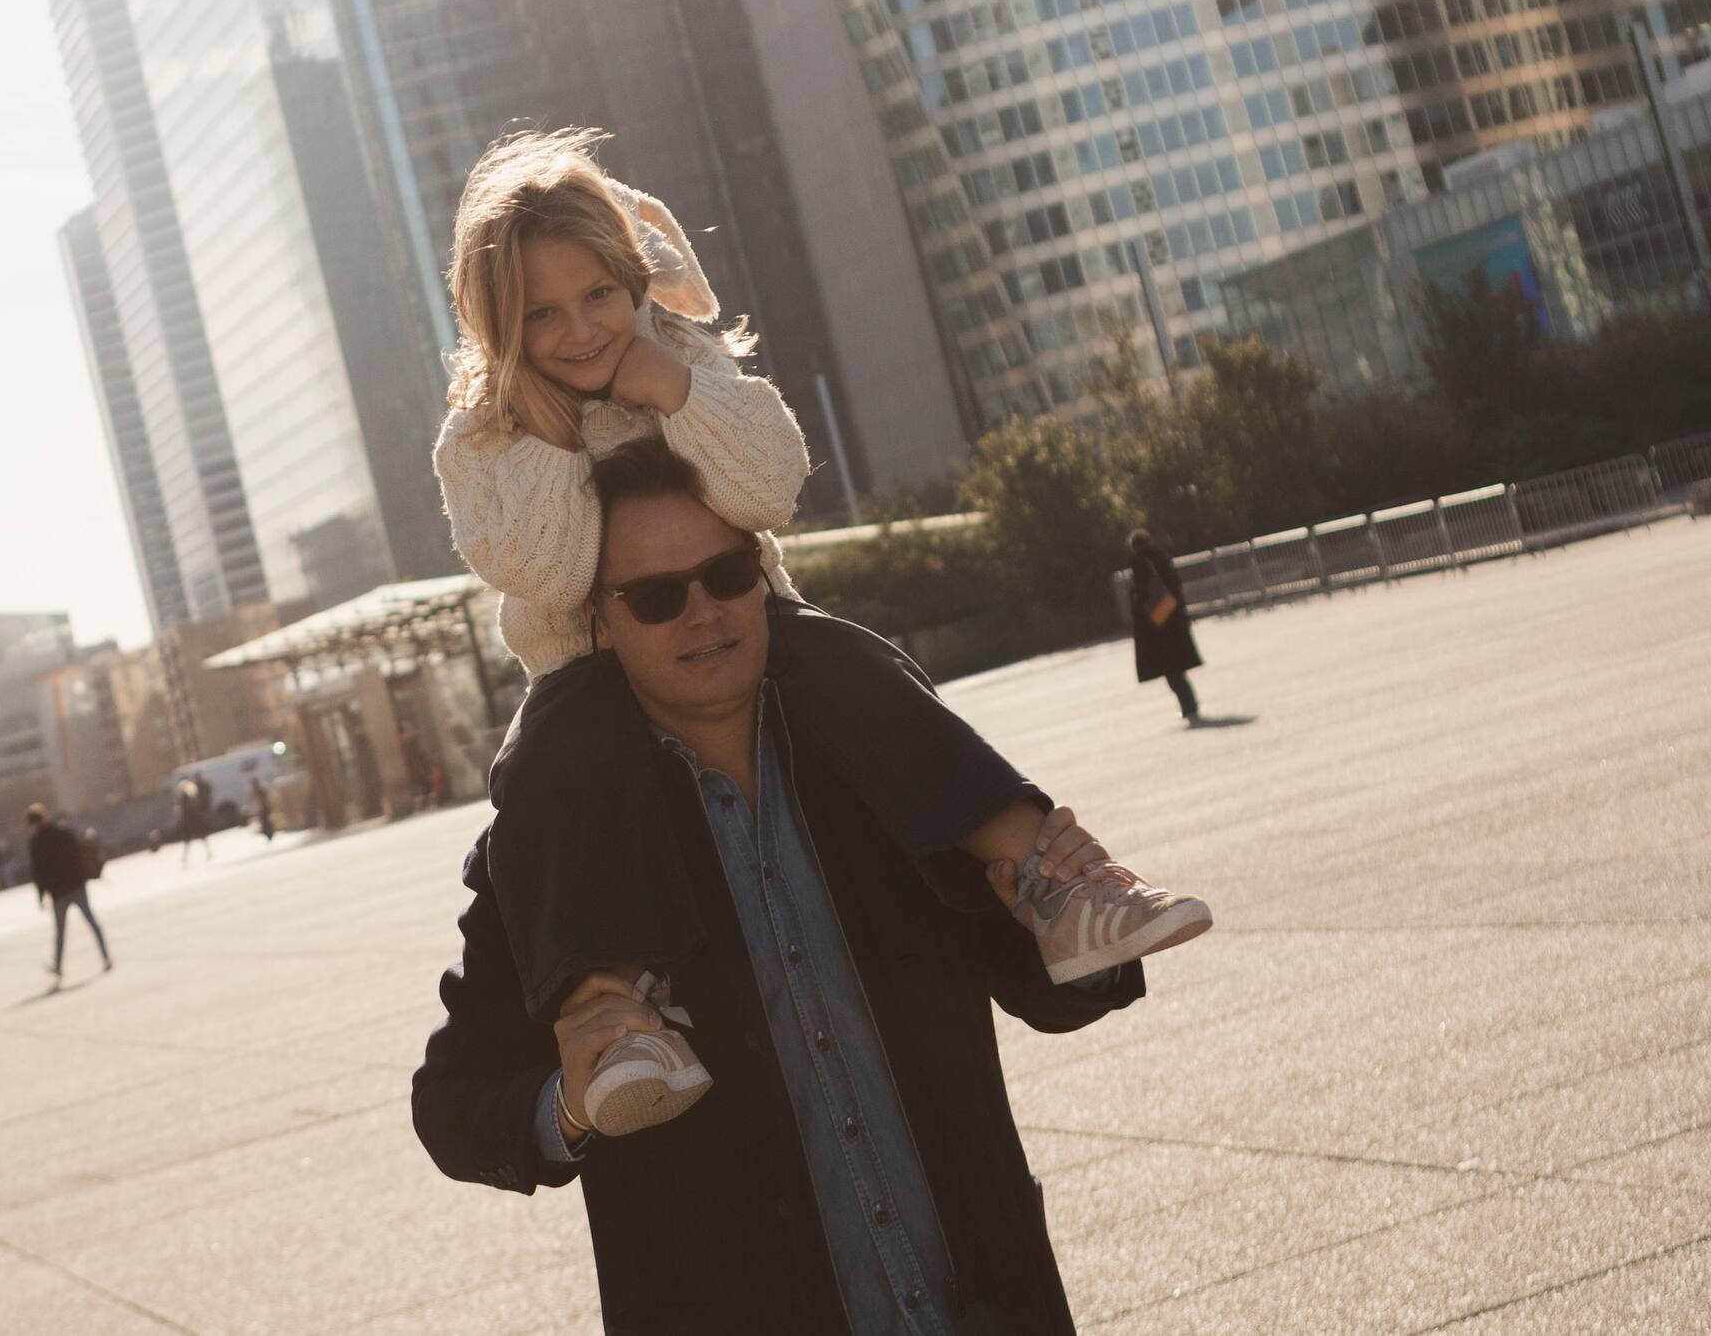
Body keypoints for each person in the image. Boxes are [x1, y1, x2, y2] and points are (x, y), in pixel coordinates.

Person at [432, 128, 1208, 1135]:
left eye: (598, 295)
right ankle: (613, 1018)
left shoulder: (683, 365)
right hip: (593, 676)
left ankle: (1058, 885)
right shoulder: (486, 434)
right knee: (548, 750)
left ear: (635, 281)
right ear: (499, 326)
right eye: (540, 314)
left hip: (751, 640)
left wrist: (669, 386)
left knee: (847, 659)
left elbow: (768, 485)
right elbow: (543, 566)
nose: (581, 332)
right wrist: (561, 426)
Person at [417, 439, 1158, 1334]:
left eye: (727, 576)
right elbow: (452, 1106)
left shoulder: (883, 767)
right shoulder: (561, 846)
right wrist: (571, 1105)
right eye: (656, 598)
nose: (704, 615)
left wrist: (1067, 917)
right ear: (599, 623)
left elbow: (1052, 992)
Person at [25, 803, 111, 987]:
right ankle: (106, 956)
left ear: (32, 823)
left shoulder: (36, 842)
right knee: (91, 921)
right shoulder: (63, 831)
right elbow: (78, 854)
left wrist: (41, 896)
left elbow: (38, 873)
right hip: (77, 885)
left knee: (60, 932)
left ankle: (57, 965)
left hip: (58, 893)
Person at [1127, 529, 1204, 723]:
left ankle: (1189, 706)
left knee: (1171, 671)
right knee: (1177, 667)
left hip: (1157, 622)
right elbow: (1175, 587)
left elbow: (1141, 594)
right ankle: (1190, 704)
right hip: (1174, 617)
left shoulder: (1140, 562)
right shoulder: (1162, 558)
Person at [251, 774, 275, 841]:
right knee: (264, 823)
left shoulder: (261, 789)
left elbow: (266, 797)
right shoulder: (255, 790)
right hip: (262, 809)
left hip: (264, 808)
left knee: (267, 822)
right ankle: (269, 834)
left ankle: (270, 834)